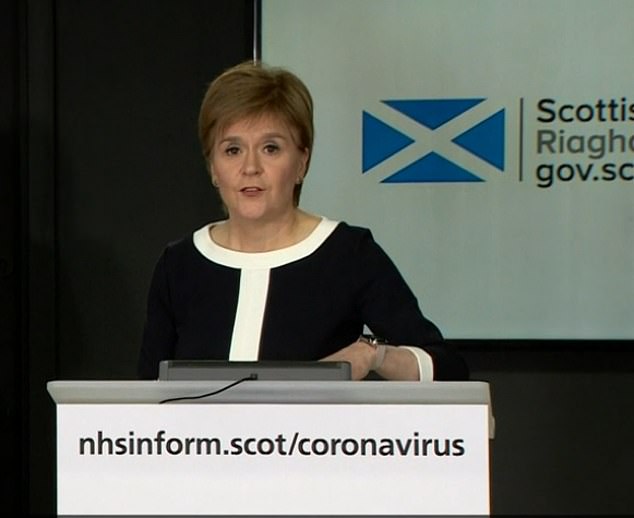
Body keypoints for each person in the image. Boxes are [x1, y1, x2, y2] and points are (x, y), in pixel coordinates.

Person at [137, 61, 468, 381]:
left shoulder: (349, 254)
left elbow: (447, 368)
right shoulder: (178, 265)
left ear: (301, 163)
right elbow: (146, 394)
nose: (250, 167)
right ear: (213, 167)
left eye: (270, 148)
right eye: (232, 150)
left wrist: (374, 354)